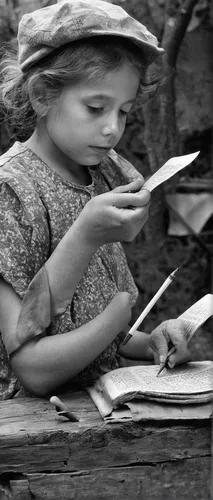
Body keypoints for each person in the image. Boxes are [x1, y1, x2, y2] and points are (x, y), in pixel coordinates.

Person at [0, 0, 189, 399]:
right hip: (34, 437)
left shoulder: (100, 176)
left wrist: (150, 339)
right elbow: (31, 368)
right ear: (41, 95)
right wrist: (85, 237)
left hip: (102, 420)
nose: (112, 129)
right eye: (96, 108)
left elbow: (87, 328)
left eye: (123, 112)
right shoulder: (11, 192)